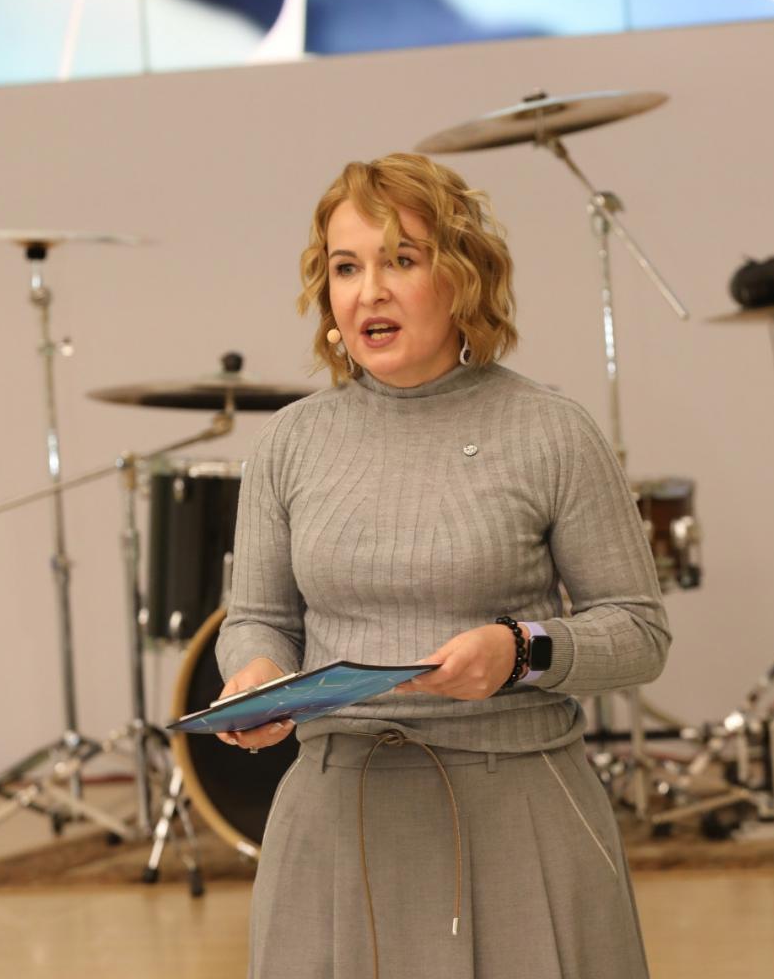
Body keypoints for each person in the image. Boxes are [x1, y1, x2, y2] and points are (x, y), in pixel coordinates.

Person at [215, 152, 670, 979]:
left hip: (518, 813)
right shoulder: (289, 442)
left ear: (462, 276)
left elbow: (639, 632)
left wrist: (522, 651)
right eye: (346, 267)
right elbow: (259, 618)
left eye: (401, 260)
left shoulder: (552, 431)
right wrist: (256, 676)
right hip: (335, 818)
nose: (368, 292)